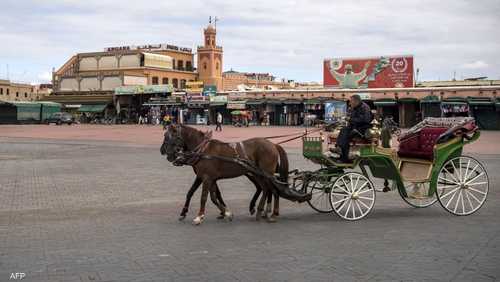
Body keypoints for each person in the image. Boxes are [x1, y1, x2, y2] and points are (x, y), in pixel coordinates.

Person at [335, 94, 372, 163]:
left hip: (362, 129)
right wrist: (348, 121)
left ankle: (344, 157)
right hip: (354, 127)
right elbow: (352, 120)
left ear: (356, 101)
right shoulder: (355, 108)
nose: (350, 103)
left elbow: (365, 120)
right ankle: (338, 147)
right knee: (343, 130)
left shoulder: (365, 107)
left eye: (351, 101)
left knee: (346, 135)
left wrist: (350, 119)